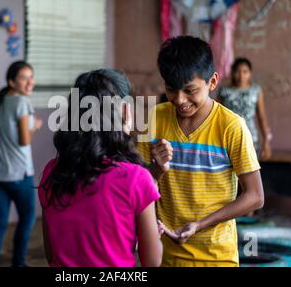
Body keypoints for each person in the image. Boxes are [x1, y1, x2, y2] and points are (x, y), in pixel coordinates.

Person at [137, 36, 264, 267]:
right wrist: (155, 170)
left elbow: (255, 197)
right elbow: (139, 183)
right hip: (165, 258)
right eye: (171, 90)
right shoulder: (155, 119)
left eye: (190, 90)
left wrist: (201, 224)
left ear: (213, 81)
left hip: (217, 258)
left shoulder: (231, 126)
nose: (180, 100)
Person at [39, 69, 163, 267]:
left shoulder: (52, 171)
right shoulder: (135, 178)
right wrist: (152, 234)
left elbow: (51, 254)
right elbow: (152, 262)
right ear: (124, 111)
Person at [0, 61, 42, 267]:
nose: (30, 81)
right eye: (24, 77)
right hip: (18, 174)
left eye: (31, 76)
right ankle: (18, 263)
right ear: (12, 81)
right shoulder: (22, 103)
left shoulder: (2, 100)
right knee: (27, 219)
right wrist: (36, 125)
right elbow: (24, 140)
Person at [218, 57, 272, 159]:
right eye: (238, 71)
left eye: (245, 71)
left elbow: (262, 117)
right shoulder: (224, 91)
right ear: (232, 72)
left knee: (248, 172)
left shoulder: (256, 91)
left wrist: (266, 141)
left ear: (250, 73)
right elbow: (216, 116)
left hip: (250, 138)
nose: (241, 75)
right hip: (228, 138)